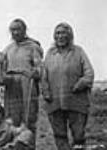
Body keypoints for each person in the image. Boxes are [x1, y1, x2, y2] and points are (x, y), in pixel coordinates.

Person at [42, 22, 94, 150]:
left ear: (70, 35)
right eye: (58, 33)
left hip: (76, 102)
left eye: (64, 33)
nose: (60, 36)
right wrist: (46, 92)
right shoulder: (50, 54)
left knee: (78, 135)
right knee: (59, 135)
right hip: (54, 102)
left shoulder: (78, 52)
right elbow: (44, 76)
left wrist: (80, 85)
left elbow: (89, 74)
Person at [2, 18, 43, 149]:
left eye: (18, 29)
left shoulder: (32, 46)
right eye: (12, 30)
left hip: (27, 81)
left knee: (29, 116)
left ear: (24, 30)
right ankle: (14, 145)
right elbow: (2, 64)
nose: (15, 32)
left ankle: (29, 146)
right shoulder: (8, 48)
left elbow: (39, 65)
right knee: (12, 118)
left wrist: (36, 72)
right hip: (11, 82)